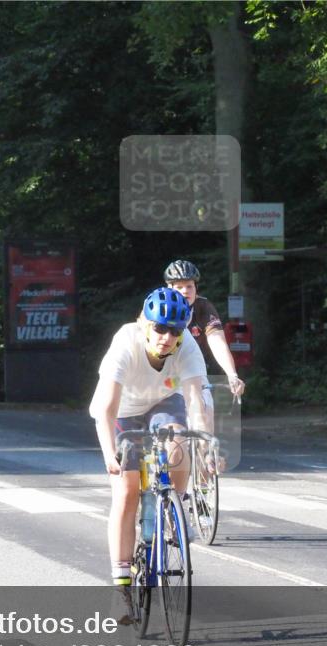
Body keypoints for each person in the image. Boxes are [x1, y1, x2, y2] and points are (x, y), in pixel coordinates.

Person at [89, 287, 206, 624]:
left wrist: (206, 444)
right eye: (159, 328)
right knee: (126, 493)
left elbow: (197, 398)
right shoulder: (125, 343)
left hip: (162, 403)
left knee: (179, 441)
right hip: (122, 412)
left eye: (175, 331)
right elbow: (108, 409)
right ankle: (121, 589)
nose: (167, 337)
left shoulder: (187, 347)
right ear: (144, 323)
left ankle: (176, 507)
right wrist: (111, 453)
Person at [163, 259, 246, 433]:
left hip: (195, 371)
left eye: (189, 286)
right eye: (179, 287)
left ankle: (207, 458)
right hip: (165, 372)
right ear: (169, 288)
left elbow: (217, 341)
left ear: (196, 288)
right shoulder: (161, 307)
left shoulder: (203, 307)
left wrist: (232, 374)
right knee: (170, 430)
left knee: (205, 421)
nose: (185, 291)